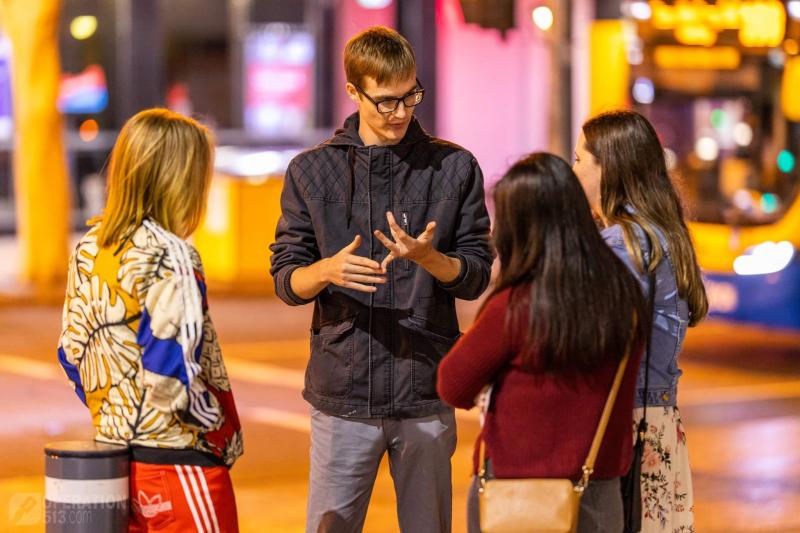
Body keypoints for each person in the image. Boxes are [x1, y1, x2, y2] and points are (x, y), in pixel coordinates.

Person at [269, 26, 493, 533]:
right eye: (386, 101)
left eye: (411, 96)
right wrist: (325, 270)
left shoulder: (454, 167)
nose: (400, 112)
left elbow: (476, 276)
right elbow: (285, 279)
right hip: (343, 391)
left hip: (424, 389)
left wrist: (430, 258)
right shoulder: (311, 170)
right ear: (353, 91)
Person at [436, 153, 649, 533]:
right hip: (599, 492)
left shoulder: (516, 305)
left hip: (517, 496)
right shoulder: (624, 293)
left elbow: (453, 386)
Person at [57, 109, 243, 533]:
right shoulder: (171, 253)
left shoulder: (90, 246)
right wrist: (214, 430)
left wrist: (116, 413)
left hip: (116, 459)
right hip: (180, 462)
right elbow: (171, 370)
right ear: (180, 179)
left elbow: (70, 353)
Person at [573, 109, 709, 532]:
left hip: (622, 426)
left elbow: (589, 337)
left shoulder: (623, 244)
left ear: (608, 168)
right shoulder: (661, 233)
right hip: (658, 421)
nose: (572, 170)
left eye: (579, 159)